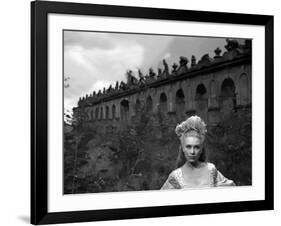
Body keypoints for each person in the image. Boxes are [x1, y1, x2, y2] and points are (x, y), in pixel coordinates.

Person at [161, 115, 235, 189]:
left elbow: (232, 190)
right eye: (188, 147)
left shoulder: (211, 171)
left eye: (196, 147)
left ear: (201, 149)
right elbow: (160, 198)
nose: (192, 152)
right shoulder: (175, 177)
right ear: (183, 148)